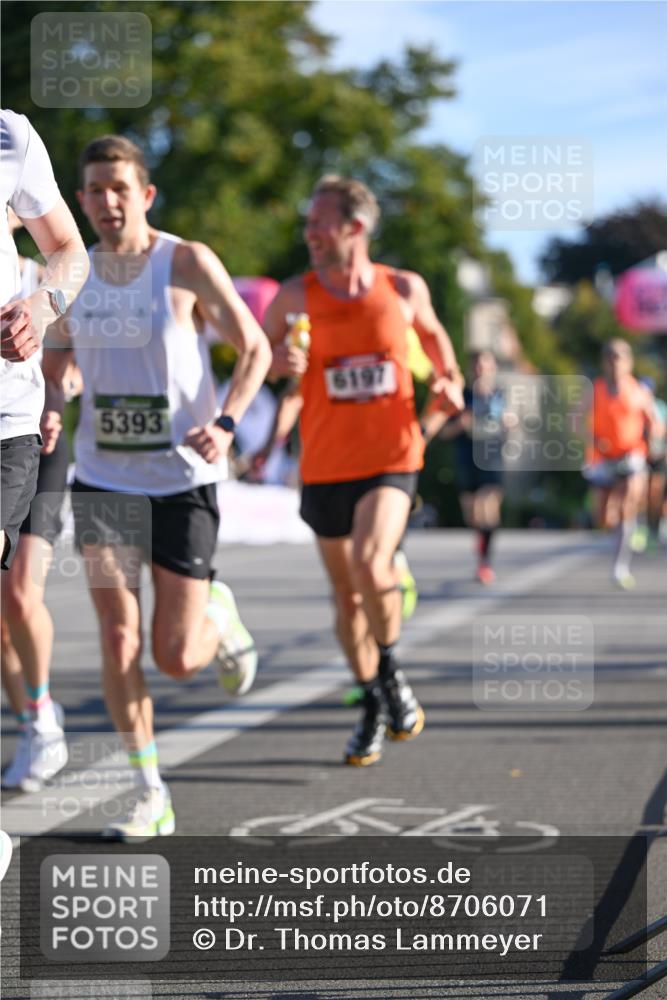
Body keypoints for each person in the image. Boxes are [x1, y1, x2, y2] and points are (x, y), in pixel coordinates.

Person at [43, 135, 271, 839]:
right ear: (79, 201)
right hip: (104, 477)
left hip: (182, 480)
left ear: (144, 195)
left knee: (174, 657)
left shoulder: (186, 262)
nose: (107, 201)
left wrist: (228, 423)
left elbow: (254, 347)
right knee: (117, 640)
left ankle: (217, 616)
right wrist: (59, 395)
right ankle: (150, 790)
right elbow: (58, 356)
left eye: (120, 188)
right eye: (93, 190)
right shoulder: (71, 273)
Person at [265, 175, 463, 766]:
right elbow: (258, 355)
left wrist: (448, 382)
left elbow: (438, 347)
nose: (310, 235)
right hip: (325, 464)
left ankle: (393, 671)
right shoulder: (295, 296)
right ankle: (374, 701)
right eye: (308, 225)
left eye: (319, 224)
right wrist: (279, 359)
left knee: (370, 562)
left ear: (355, 228)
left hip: (392, 457)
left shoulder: (402, 287)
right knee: (346, 596)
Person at [1, 210, 81, 791]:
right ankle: (34, 723)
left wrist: (58, 398)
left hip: (40, 438)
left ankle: (45, 718)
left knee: (21, 591)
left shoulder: (40, 275)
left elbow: (73, 356)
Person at [1, 108, 88, 572]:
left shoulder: (10, 135)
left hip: (5, 417)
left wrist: (42, 306)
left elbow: (68, 249)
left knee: (21, 596)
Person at [423, 350, 506, 584]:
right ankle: (482, 546)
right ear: (472, 369)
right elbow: (444, 432)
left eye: (486, 365)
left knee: (487, 510)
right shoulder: (462, 396)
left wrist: (510, 423)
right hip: (466, 459)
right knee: (473, 515)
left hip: (491, 459)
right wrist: (461, 424)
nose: (481, 369)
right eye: (477, 365)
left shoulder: (501, 396)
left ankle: (485, 563)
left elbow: (512, 424)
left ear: (493, 368)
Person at [584, 339, 658, 589]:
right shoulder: (594, 390)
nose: (615, 362)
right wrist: (594, 441)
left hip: (631, 455)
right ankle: (621, 530)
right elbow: (578, 422)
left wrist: (653, 441)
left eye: (620, 357)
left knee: (628, 503)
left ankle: (620, 566)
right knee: (604, 515)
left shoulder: (639, 391)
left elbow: (654, 423)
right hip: (602, 458)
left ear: (629, 363)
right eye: (610, 357)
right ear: (604, 363)